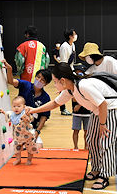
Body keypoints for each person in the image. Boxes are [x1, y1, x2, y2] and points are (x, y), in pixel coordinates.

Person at [25, 62, 117, 190]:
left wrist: (102, 124)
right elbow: (55, 103)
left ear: (62, 80)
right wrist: (33, 110)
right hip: (98, 111)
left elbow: (103, 104)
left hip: (111, 109)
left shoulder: (83, 86)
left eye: (55, 81)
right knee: (91, 139)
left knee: (105, 142)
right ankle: (96, 169)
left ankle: (105, 175)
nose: (55, 85)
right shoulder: (70, 89)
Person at [2, 59, 52, 148]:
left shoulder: (46, 98)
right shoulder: (25, 85)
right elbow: (11, 81)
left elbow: (44, 117)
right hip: (17, 126)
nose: (39, 80)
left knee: (39, 147)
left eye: (42, 80)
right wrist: (9, 69)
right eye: (38, 77)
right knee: (17, 147)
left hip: (30, 128)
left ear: (46, 84)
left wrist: (37, 132)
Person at [0, 96, 38, 166]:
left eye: (18, 106)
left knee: (30, 148)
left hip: (28, 135)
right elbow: (8, 114)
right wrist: (3, 112)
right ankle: (18, 159)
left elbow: (31, 118)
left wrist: (28, 115)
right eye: (14, 106)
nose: (16, 108)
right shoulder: (12, 114)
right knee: (17, 148)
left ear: (24, 107)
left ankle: (29, 159)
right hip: (18, 136)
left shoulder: (25, 113)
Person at [59, 29, 78, 116]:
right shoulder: (64, 46)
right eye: (74, 34)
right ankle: (63, 109)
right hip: (65, 70)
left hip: (71, 69)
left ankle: (75, 108)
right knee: (63, 90)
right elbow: (63, 61)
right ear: (70, 36)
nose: (76, 35)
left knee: (74, 89)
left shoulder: (72, 45)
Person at [71, 63, 90, 150]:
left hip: (87, 112)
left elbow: (89, 97)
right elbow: (74, 99)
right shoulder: (73, 85)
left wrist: (80, 104)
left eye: (80, 73)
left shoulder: (88, 84)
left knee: (87, 131)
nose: (79, 75)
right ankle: (75, 147)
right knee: (76, 130)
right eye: (77, 73)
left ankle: (86, 147)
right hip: (77, 113)